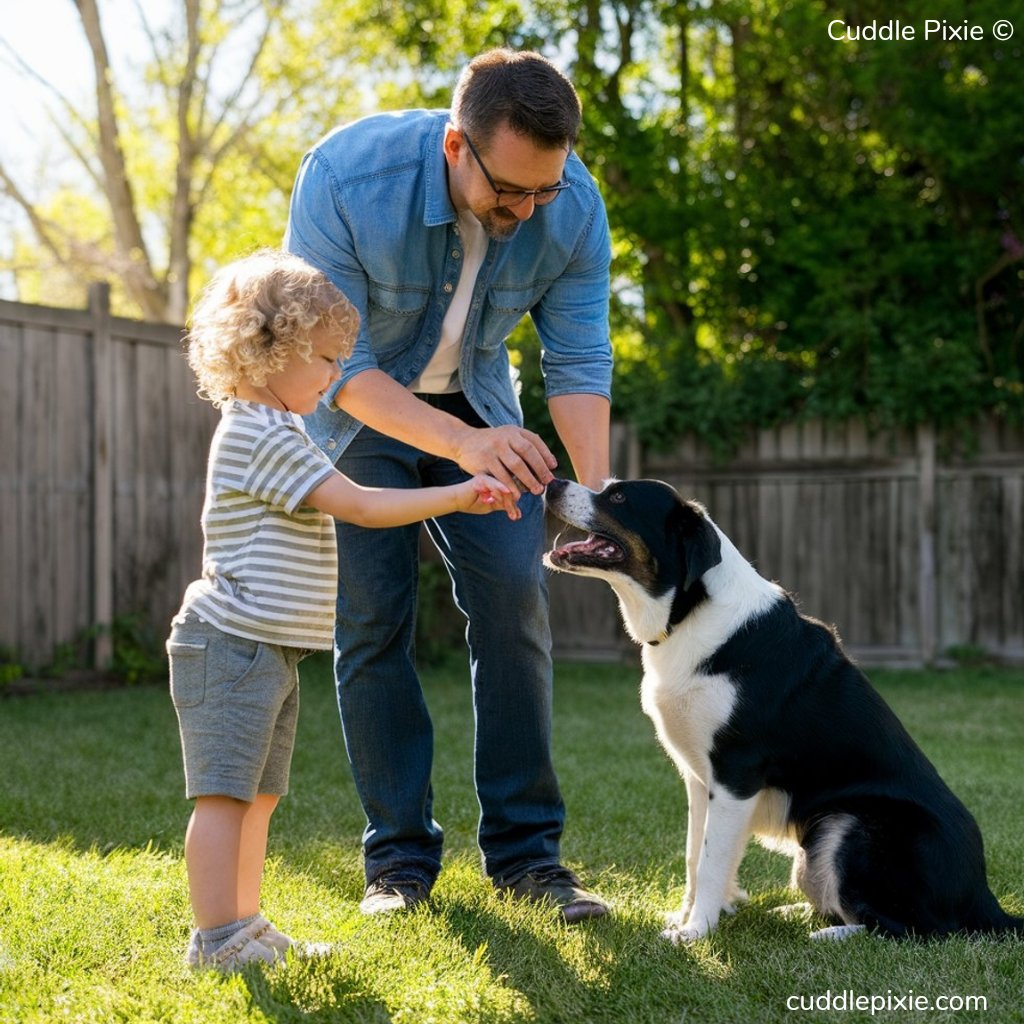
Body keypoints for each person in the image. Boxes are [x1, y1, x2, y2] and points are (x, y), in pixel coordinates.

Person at [284, 48, 614, 921]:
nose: (528, 209)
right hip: (359, 419)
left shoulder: (570, 205)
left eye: (545, 188)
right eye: (511, 191)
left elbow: (578, 356)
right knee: (371, 622)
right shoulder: (348, 177)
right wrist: (462, 444)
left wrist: (602, 496)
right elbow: (339, 366)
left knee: (515, 598)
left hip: (482, 405)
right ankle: (397, 865)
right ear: (455, 146)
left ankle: (530, 860)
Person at [167, 249, 520, 972]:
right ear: (271, 353)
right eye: (327, 360)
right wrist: (456, 493)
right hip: (227, 645)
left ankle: (244, 923)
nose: (337, 377)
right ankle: (214, 940)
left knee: (258, 799)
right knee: (224, 799)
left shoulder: (282, 429)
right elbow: (359, 505)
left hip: (263, 649)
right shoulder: (254, 432)